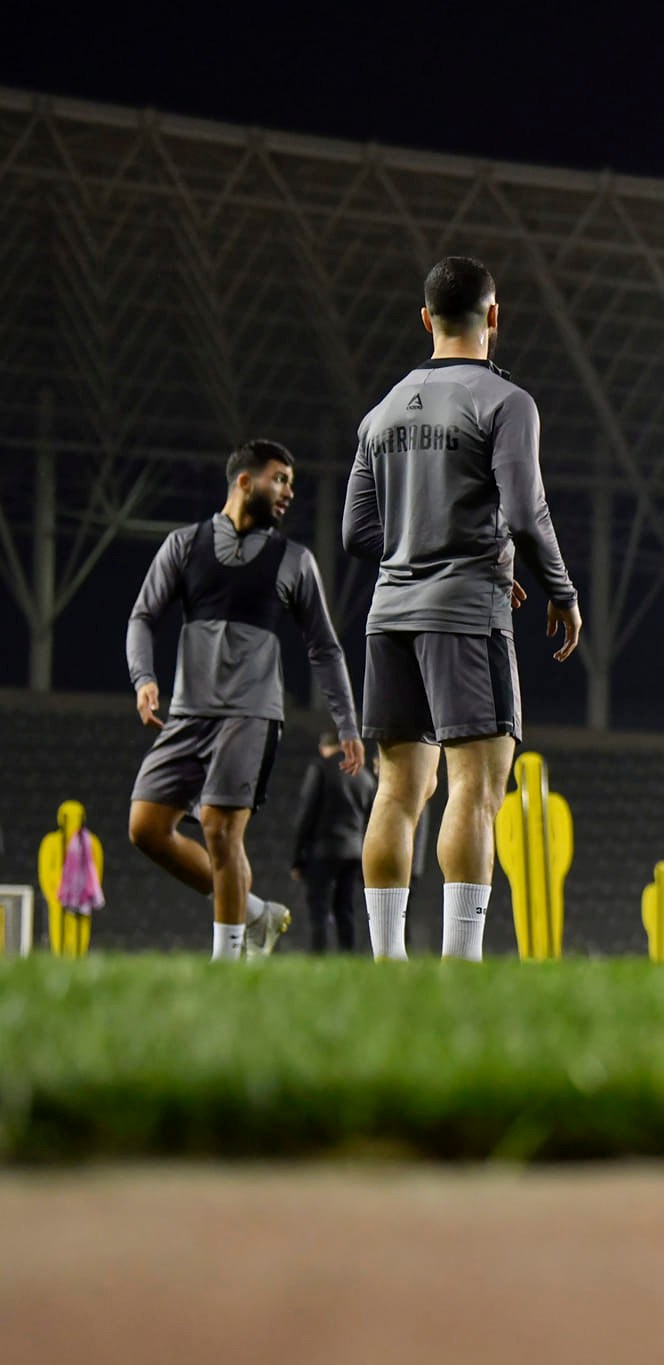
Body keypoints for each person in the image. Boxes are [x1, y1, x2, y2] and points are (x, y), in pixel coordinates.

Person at [343, 256, 581, 962]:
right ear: (494, 316)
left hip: (388, 615)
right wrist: (560, 592)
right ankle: (461, 962)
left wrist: (425, 537)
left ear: (427, 319)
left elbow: (357, 533)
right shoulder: (506, 401)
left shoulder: (380, 412)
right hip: (463, 614)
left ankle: (387, 963)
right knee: (475, 788)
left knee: (397, 791)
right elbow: (525, 512)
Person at [127, 440, 362, 961]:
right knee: (145, 828)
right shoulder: (184, 545)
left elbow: (323, 646)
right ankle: (256, 914)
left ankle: (227, 961)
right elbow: (143, 616)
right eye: (279, 479)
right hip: (189, 712)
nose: (288, 492)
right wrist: (144, 677)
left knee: (218, 826)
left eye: (291, 483)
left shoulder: (294, 561)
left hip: (251, 714)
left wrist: (347, 721)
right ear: (244, 481)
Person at [291, 730, 376, 953]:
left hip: (324, 849)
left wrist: (297, 858)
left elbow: (306, 814)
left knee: (318, 908)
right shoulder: (365, 776)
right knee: (345, 907)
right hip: (354, 851)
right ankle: (348, 957)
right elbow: (371, 820)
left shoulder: (320, 769)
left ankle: (319, 956)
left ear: (324, 747)